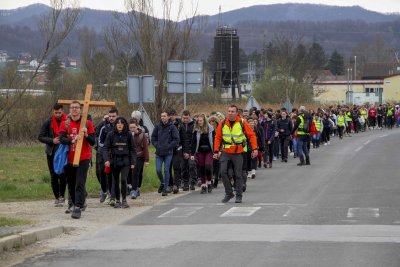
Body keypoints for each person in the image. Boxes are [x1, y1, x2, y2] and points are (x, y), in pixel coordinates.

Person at [213, 105, 258, 203]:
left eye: (232, 111)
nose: (230, 113)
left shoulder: (242, 122)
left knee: (238, 175)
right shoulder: (223, 123)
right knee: (223, 172)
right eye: (229, 111)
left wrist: (255, 149)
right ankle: (229, 193)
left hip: (238, 152)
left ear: (237, 113)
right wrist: (216, 151)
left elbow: (251, 135)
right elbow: (218, 137)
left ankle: (239, 195)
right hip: (226, 151)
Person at [59, 101, 96, 219]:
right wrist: (72, 140)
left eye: (76, 108)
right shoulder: (65, 123)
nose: (74, 109)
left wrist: (86, 135)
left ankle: (78, 207)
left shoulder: (87, 123)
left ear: (80, 110)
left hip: (83, 157)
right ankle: (75, 203)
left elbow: (93, 141)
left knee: (80, 182)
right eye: (72, 108)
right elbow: (61, 139)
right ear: (69, 110)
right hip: (68, 158)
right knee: (71, 183)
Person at [103, 117, 136, 208]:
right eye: (118, 123)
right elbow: (105, 148)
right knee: (116, 181)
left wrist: (133, 162)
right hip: (114, 161)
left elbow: (133, 149)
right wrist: (106, 160)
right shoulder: (111, 134)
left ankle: (124, 200)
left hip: (125, 161)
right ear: (116, 124)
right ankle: (118, 200)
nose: (119, 124)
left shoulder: (129, 135)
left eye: (121, 123)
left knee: (123, 179)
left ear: (124, 125)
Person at [38, 103, 68, 207]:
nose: (58, 114)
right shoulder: (48, 122)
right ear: (53, 112)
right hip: (52, 153)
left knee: (63, 175)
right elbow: (40, 137)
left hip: (64, 153)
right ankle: (57, 197)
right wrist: (52, 140)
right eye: (56, 113)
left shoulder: (68, 121)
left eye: (59, 112)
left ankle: (62, 197)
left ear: (62, 111)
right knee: (54, 176)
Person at [151, 110, 180, 196]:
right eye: (162, 116)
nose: (163, 117)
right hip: (159, 152)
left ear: (168, 117)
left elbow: (176, 139)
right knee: (158, 170)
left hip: (168, 153)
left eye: (164, 116)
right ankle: (163, 182)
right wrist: (157, 145)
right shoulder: (157, 126)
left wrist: (169, 146)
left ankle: (165, 189)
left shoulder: (172, 127)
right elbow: (153, 137)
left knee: (166, 170)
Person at [97, 108, 118, 205]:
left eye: (113, 116)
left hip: (115, 155)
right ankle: (104, 190)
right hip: (103, 153)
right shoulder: (104, 127)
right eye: (110, 116)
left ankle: (112, 195)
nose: (111, 118)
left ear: (117, 116)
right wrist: (106, 147)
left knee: (112, 175)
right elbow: (100, 141)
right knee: (101, 173)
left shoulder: (119, 126)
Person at [191, 113, 215, 194]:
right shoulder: (196, 130)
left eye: (201, 121)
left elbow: (214, 140)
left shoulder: (210, 129)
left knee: (208, 166)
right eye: (198, 121)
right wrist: (192, 154)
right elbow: (193, 142)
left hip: (209, 151)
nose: (200, 122)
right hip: (200, 151)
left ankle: (209, 182)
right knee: (201, 168)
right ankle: (203, 185)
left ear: (204, 120)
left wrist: (216, 151)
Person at [129, 121, 149, 199]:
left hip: (139, 156)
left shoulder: (142, 135)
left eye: (134, 127)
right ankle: (132, 188)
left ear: (137, 127)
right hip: (129, 156)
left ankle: (134, 190)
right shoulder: (128, 135)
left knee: (135, 173)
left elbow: (146, 148)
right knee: (129, 174)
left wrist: (146, 160)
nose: (132, 129)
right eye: (130, 128)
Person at [181, 110, 197, 191]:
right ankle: (185, 182)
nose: (185, 120)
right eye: (184, 118)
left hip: (192, 148)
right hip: (183, 148)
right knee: (183, 166)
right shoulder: (180, 125)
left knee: (191, 164)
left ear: (189, 117)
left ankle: (193, 181)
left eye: (187, 118)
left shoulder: (194, 124)